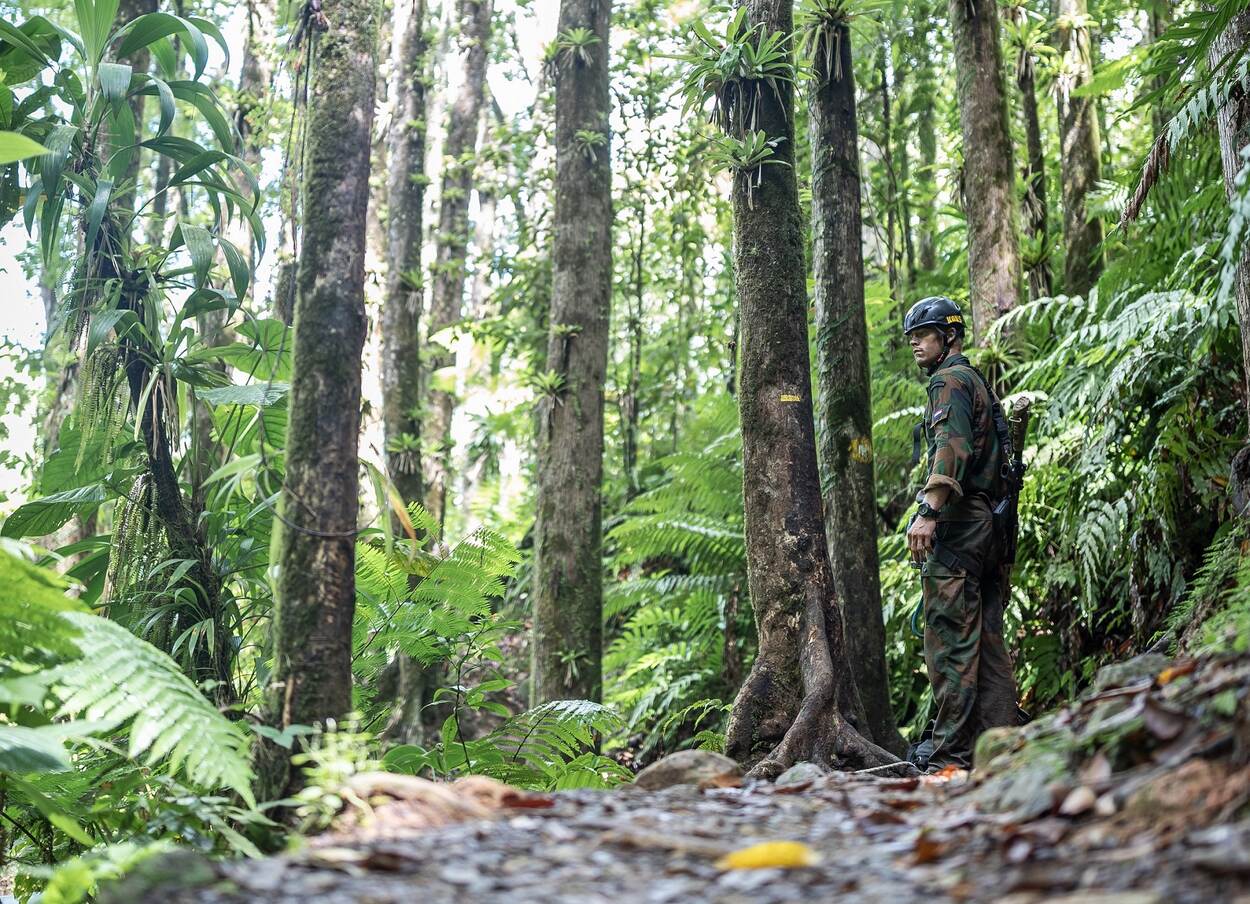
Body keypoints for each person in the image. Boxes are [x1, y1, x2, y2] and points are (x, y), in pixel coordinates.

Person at [903, 295, 1018, 771]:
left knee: (950, 640)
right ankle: (1001, 750)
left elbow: (952, 447)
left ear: (948, 336)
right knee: (987, 640)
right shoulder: (975, 380)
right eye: (911, 337)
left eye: (923, 335)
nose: (915, 343)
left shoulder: (948, 380)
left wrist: (928, 510)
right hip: (991, 527)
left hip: (962, 524)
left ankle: (949, 760)